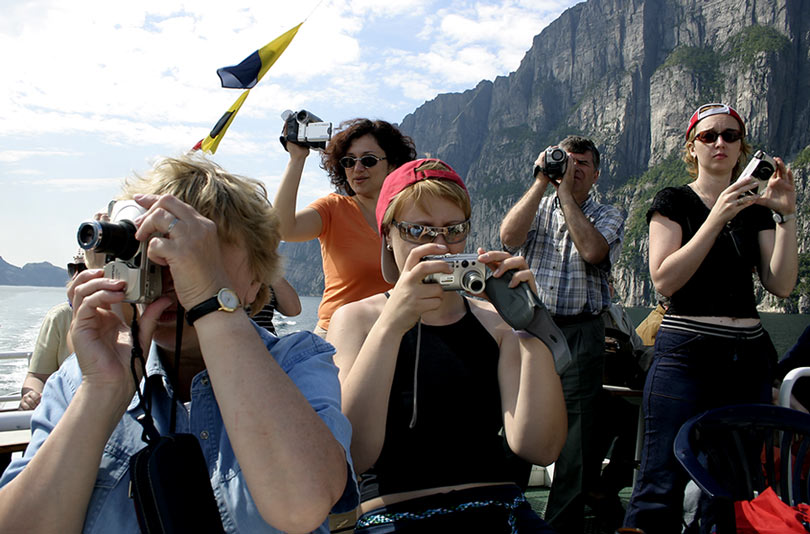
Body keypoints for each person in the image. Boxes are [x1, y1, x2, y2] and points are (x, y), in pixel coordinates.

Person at [0, 154, 357, 533]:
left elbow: (303, 506)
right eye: (153, 249)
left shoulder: (298, 361)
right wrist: (100, 394)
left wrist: (211, 303)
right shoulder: (79, 381)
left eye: (198, 249)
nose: (170, 269)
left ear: (257, 280)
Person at [328, 158, 567, 532]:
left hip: (497, 508)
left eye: (454, 230)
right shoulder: (357, 320)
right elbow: (352, 454)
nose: (438, 245)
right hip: (394, 514)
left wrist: (532, 323)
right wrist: (391, 326)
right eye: (418, 230)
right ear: (387, 236)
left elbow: (540, 447)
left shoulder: (499, 324)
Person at [623, 103, 798, 533]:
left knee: (735, 483)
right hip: (686, 356)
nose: (720, 143)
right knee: (659, 482)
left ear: (742, 148)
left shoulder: (755, 210)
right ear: (692, 147)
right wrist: (718, 215)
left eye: (731, 136)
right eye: (709, 136)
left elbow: (781, 285)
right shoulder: (673, 201)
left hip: (749, 357)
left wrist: (787, 215)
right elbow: (665, 279)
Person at [500, 135, 625, 533]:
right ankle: (505, 513)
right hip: (532, 327)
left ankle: (561, 525)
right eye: (566, 161)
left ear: (596, 173)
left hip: (582, 330)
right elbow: (508, 237)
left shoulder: (608, 214)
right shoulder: (537, 207)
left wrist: (567, 196)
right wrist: (541, 182)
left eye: (582, 164)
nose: (573, 168)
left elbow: (593, 252)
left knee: (578, 436)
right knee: (516, 421)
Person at [274, 118, 417, 336]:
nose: (357, 168)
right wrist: (297, 158)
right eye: (349, 161)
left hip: (397, 335)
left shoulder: (410, 217)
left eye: (368, 160)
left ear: (392, 164)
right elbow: (283, 228)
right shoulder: (333, 209)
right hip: (337, 335)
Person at [19, 249, 105, 410]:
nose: (76, 277)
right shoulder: (59, 317)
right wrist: (32, 397)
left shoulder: (139, 320)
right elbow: (37, 376)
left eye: (84, 269)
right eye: (73, 269)